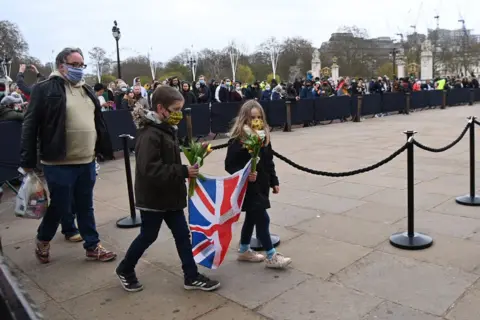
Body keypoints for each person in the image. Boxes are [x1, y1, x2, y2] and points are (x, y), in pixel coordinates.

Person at [115, 85, 220, 292]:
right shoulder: (150, 134)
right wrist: (182, 171)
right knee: (148, 235)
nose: (178, 114)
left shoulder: (165, 129)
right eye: (175, 110)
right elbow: (149, 169)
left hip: (170, 195)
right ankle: (125, 268)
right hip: (154, 198)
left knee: (182, 235)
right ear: (161, 108)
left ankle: (191, 276)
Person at [20, 47, 116, 263]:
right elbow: (30, 125)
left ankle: (92, 245)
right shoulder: (44, 89)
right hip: (58, 160)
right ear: (61, 65)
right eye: (74, 65)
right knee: (61, 205)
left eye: (82, 65)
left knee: (85, 204)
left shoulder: (87, 90)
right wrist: (27, 160)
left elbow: (97, 122)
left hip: (86, 159)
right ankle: (43, 238)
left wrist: (102, 148)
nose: (79, 69)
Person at [225, 100, 292, 268]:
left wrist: (274, 180)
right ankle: (271, 255)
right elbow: (230, 165)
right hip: (248, 187)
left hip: (261, 184)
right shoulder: (238, 139)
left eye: (259, 117)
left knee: (252, 217)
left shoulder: (263, 136)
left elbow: (269, 161)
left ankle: (244, 249)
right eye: (252, 117)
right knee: (262, 218)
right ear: (245, 119)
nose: (256, 121)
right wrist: (246, 174)